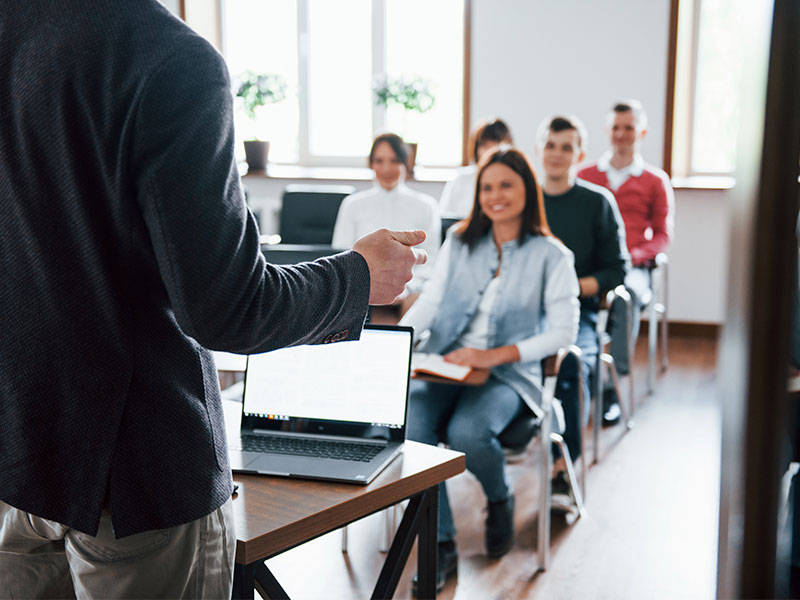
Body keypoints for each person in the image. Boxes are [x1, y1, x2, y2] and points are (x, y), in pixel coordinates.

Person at [0, 2, 426, 598]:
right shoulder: (166, 57)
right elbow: (228, 309)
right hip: (136, 476)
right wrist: (358, 277)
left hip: (18, 450)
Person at [400, 147, 579, 593]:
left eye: (506, 185)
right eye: (487, 187)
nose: (495, 195)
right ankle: (439, 544)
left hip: (507, 374)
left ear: (527, 191)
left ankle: (499, 498)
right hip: (444, 363)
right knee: (412, 430)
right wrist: (396, 344)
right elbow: (433, 301)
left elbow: (563, 332)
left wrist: (492, 356)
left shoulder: (552, 255)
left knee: (467, 433)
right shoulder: (460, 242)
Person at [537, 115, 629, 509]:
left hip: (578, 313)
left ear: (580, 154)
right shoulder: (523, 201)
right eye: (551, 145)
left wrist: (567, 288)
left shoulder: (597, 203)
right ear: (540, 149)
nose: (557, 154)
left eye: (566, 147)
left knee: (571, 365)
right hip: (522, 314)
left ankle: (563, 467)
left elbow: (616, 271)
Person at [577, 99, 674, 422]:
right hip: (591, 266)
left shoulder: (655, 180)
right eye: (616, 128)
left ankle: (609, 383)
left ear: (641, 132)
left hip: (632, 267)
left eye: (628, 128)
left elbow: (662, 234)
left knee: (626, 296)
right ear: (608, 131)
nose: (621, 134)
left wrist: (636, 255)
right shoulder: (585, 174)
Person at [332, 133, 440, 315]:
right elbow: (340, 253)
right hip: (362, 291)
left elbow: (431, 262)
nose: (386, 168)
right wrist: (369, 287)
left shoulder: (426, 206)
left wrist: (406, 288)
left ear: (406, 163)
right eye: (379, 161)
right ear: (371, 164)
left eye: (394, 160)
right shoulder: (352, 204)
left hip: (409, 291)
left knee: (420, 306)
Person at [438, 118, 514, 218]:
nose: (490, 151)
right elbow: (445, 218)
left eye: (495, 145)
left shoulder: (515, 179)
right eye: (484, 145)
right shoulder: (461, 179)